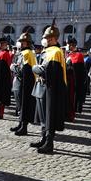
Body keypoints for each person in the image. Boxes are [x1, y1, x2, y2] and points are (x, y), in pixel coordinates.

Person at [31, 20, 67, 154]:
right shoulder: (47, 51)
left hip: (51, 88)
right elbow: (40, 68)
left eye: (47, 38)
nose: (44, 40)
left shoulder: (55, 52)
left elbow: (48, 71)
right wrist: (37, 68)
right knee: (42, 115)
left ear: (53, 39)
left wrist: (35, 68)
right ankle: (43, 138)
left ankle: (49, 143)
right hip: (42, 87)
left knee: (49, 116)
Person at [10, 32, 36, 136]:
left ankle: (24, 127)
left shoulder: (27, 53)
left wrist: (13, 67)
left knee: (23, 105)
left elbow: (22, 70)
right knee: (19, 105)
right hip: (20, 82)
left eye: (23, 42)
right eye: (21, 42)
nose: (20, 44)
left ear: (27, 43)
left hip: (24, 83)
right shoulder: (23, 53)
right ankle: (20, 123)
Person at [66, 38, 86, 117]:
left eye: (71, 45)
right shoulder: (68, 54)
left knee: (75, 96)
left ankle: (74, 110)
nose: (70, 47)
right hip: (69, 79)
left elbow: (79, 69)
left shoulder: (79, 55)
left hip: (76, 79)